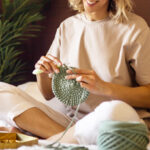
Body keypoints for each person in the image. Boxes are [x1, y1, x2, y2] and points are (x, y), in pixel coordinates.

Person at [0, 0, 150, 145]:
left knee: (112, 110)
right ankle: (64, 138)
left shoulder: (135, 28)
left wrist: (104, 87)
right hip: (71, 123)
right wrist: (42, 73)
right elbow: (48, 94)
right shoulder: (67, 26)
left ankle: (50, 140)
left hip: (113, 120)